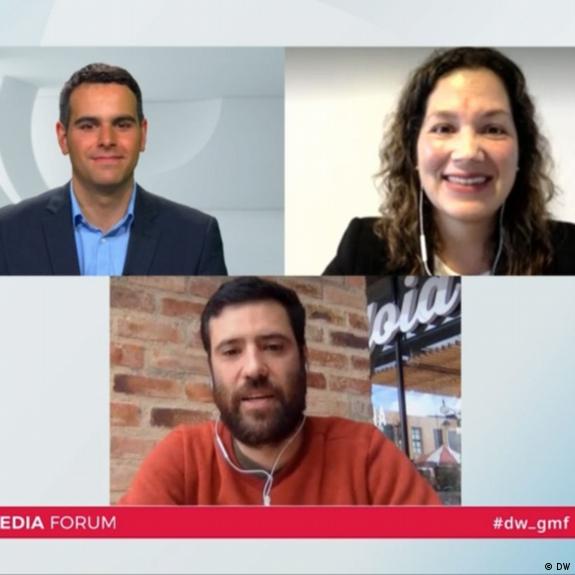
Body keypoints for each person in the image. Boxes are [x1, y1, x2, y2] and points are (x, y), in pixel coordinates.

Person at [119, 277, 440, 506]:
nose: (254, 368)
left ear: (303, 357)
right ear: (211, 370)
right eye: (231, 352)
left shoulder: (365, 455)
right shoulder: (184, 458)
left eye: (273, 347)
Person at [324, 47, 575, 276]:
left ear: (522, 150)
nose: (467, 152)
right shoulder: (364, 251)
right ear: (413, 151)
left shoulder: (568, 252)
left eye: (493, 129)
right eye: (443, 128)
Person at [0, 63, 227, 275]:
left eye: (122, 125)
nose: (107, 140)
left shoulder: (196, 237)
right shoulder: (8, 231)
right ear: (63, 138)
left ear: (143, 134)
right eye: (88, 126)